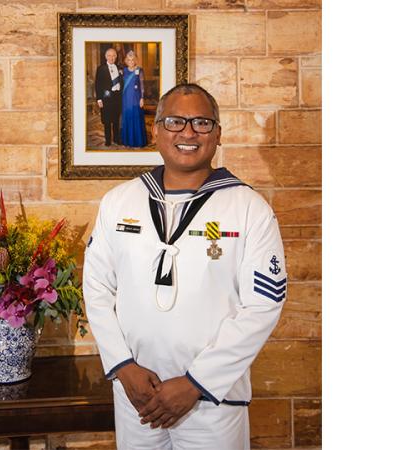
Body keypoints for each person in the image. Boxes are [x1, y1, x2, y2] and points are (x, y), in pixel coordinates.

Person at [83, 83, 287, 449]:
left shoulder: (248, 208)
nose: (188, 133)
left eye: (202, 123)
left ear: (218, 133)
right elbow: (96, 290)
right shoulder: (119, 202)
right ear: (156, 130)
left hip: (212, 400)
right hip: (137, 396)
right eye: (175, 121)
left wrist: (196, 382)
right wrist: (123, 367)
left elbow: (262, 306)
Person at [95, 48, 123, 147]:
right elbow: (98, 84)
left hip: (117, 97)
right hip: (106, 97)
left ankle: (116, 138)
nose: (112, 57)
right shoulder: (101, 68)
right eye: (109, 55)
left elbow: (122, 82)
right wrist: (99, 99)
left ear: (116, 57)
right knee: (107, 120)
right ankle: (108, 140)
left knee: (116, 120)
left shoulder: (119, 68)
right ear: (106, 56)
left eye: (114, 55)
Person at [119, 50, 147, 148]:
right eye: (129, 60)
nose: (131, 62)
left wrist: (142, 98)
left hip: (136, 97)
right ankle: (127, 141)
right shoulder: (123, 71)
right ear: (126, 61)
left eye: (132, 60)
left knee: (136, 116)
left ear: (135, 60)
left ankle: (137, 141)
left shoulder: (139, 70)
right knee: (127, 116)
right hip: (126, 98)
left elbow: (142, 85)